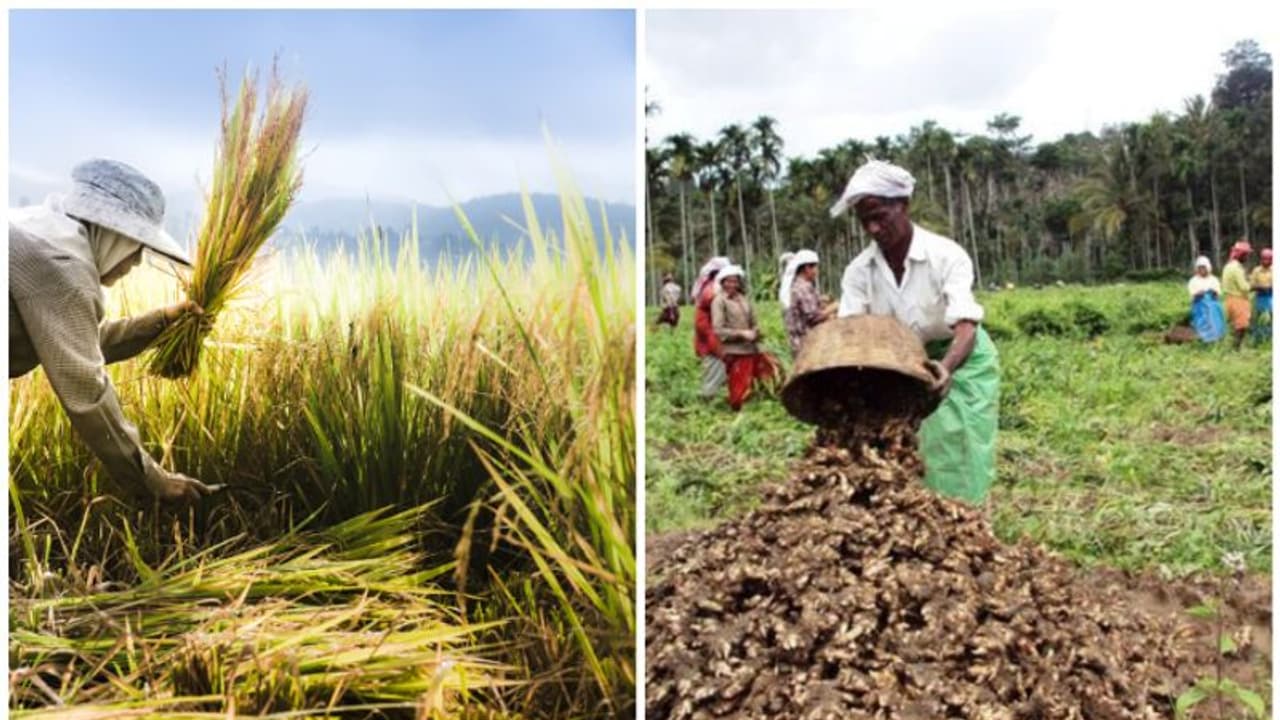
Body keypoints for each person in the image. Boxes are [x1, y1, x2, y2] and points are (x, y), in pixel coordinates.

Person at [9, 158, 218, 503]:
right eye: (138, 246)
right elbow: (87, 391)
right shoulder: (63, 265)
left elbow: (74, 342)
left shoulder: (41, 230)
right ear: (115, 235)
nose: (136, 262)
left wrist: (161, 322)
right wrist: (155, 481)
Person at [830, 159, 999, 504]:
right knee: (899, 442)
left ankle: (964, 518)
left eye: (880, 216)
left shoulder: (945, 255)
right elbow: (852, 333)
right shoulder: (859, 272)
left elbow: (966, 325)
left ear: (903, 205)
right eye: (865, 221)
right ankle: (914, 513)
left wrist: (945, 368)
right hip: (902, 362)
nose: (874, 228)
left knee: (957, 442)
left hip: (960, 356)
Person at [711, 265, 778, 411]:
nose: (732, 284)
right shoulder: (719, 301)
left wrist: (756, 331)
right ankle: (737, 410)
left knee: (767, 373)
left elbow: (754, 321)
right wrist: (742, 333)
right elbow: (718, 329)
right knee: (739, 384)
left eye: (735, 281)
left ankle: (757, 404)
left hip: (752, 347)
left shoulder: (743, 299)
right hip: (735, 350)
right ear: (722, 283)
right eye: (728, 281)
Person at [780, 249, 835, 356]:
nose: (817, 271)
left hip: (799, 343)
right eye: (815, 267)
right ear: (807, 268)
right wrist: (834, 307)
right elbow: (814, 317)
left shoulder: (797, 286)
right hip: (807, 344)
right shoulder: (803, 288)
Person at [692, 256, 731, 398]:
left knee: (719, 367)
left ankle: (716, 395)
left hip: (712, 335)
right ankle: (707, 398)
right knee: (715, 367)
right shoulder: (712, 290)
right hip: (711, 336)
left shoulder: (711, 287)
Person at [1221, 240, 1253, 351]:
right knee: (1242, 326)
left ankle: (1229, 346)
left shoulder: (1227, 266)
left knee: (1231, 325)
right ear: (1241, 255)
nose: (1247, 258)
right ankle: (1236, 348)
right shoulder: (1237, 268)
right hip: (1239, 300)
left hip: (1228, 299)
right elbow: (1244, 287)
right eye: (1246, 255)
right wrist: (1253, 285)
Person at [1187, 255, 1226, 343]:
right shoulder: (1193, 281)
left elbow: (1218, 295)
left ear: (1208, 268)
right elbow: (1192, 295)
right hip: (1200, 306)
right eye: (1200, 268)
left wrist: (1214, 292)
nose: (1202, 270)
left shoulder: (1214, 279)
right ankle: (1204, 339)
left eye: (1203, 267)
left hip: (1213, 305)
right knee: (1203, 323)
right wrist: (1198, 294)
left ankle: (1217, 338)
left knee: (1215, 321)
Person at [1250, 248, 1272, 343]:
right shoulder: (1256, 270)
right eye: (1264, 259)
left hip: (1271, 296)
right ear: (1261, 259)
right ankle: (1258, 337)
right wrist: (1260, 287)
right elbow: (1251, 285)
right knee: (1259, 317)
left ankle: (1270, 336)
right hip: (1260, 296)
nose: (1266, 261)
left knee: (1271, 316)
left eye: (1268, 259)